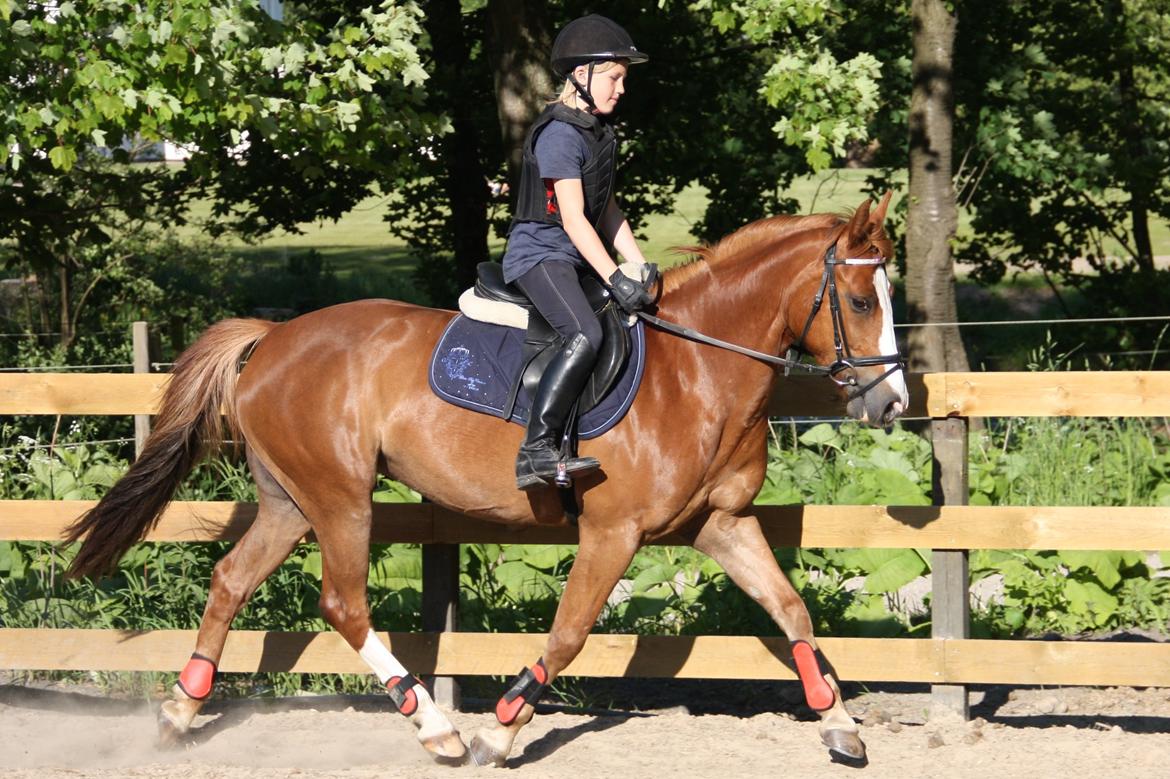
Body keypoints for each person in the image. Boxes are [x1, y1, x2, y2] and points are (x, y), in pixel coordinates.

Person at [502, 14, 655, 491]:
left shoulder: (597, 133)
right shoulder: (561, 136)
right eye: (614, 77)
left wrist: (639, 266)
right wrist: (614, 278)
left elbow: (606, 210)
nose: (621, 89)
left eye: (623, 79)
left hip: (573, 255)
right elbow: (573, 218)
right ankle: (538, 451)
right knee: (585, 332)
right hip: (539, 255)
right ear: (582, 74)